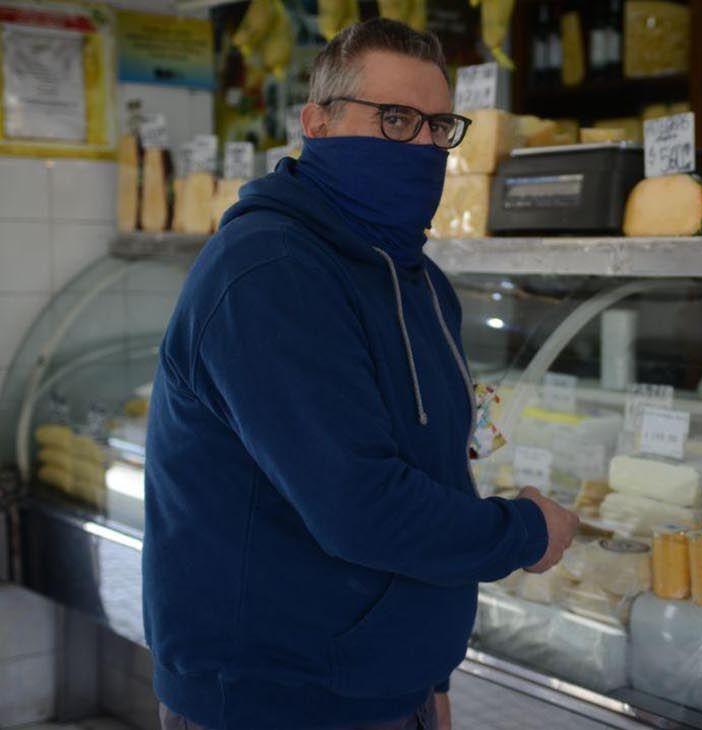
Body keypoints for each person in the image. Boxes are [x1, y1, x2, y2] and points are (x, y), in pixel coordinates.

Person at [143, 17, 579, 730]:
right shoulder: (269, 270)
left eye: (439, 127)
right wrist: (524, 532)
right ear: (317, 122)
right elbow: (360, 506)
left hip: (383, 688)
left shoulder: (417, 280)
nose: (422, 146)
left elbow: (433, 467)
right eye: (396, 119)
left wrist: (429, 679)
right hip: (274, 701)